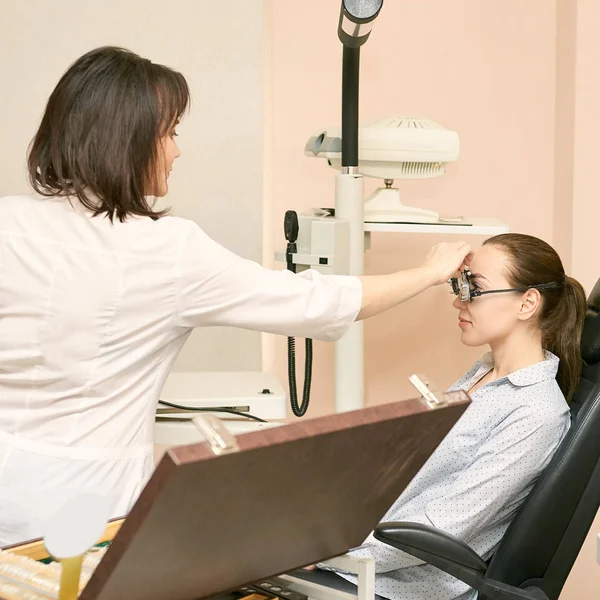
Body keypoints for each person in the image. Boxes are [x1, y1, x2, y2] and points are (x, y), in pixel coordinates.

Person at [0, 46, 471, 547]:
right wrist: (427, 271)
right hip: (85, 512)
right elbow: (315, 302)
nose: (176, 151)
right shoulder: (167, 250)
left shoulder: (9, 222)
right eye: (170, 133)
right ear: (128, 141)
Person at [307, 233, 587, 600]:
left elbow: (447, 524)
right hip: (368, 554)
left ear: (527, 303)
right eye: (461, 286)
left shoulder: (536, 411)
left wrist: (329, 556)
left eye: (475, 288)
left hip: (397, 585)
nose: (458, 301)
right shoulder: (484, 374)